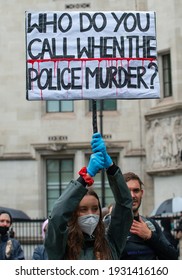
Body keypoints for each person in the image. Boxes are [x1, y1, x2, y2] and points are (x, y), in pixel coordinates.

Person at [45, 133, 133, 260]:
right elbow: (57, 216)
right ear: (74, 212)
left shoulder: (111, 242)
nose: (90, 214)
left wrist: (111, 167)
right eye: (83, 209)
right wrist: (85, 176)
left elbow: (125, 205)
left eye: (95, 208)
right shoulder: (61, 246)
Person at [120, 172, 178, 260]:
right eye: (127, 191)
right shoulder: (110, 226)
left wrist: (150, 236)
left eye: (136, 190)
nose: (132, 196)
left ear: (141, 193)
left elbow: (173, 256)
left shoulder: (151, 225)